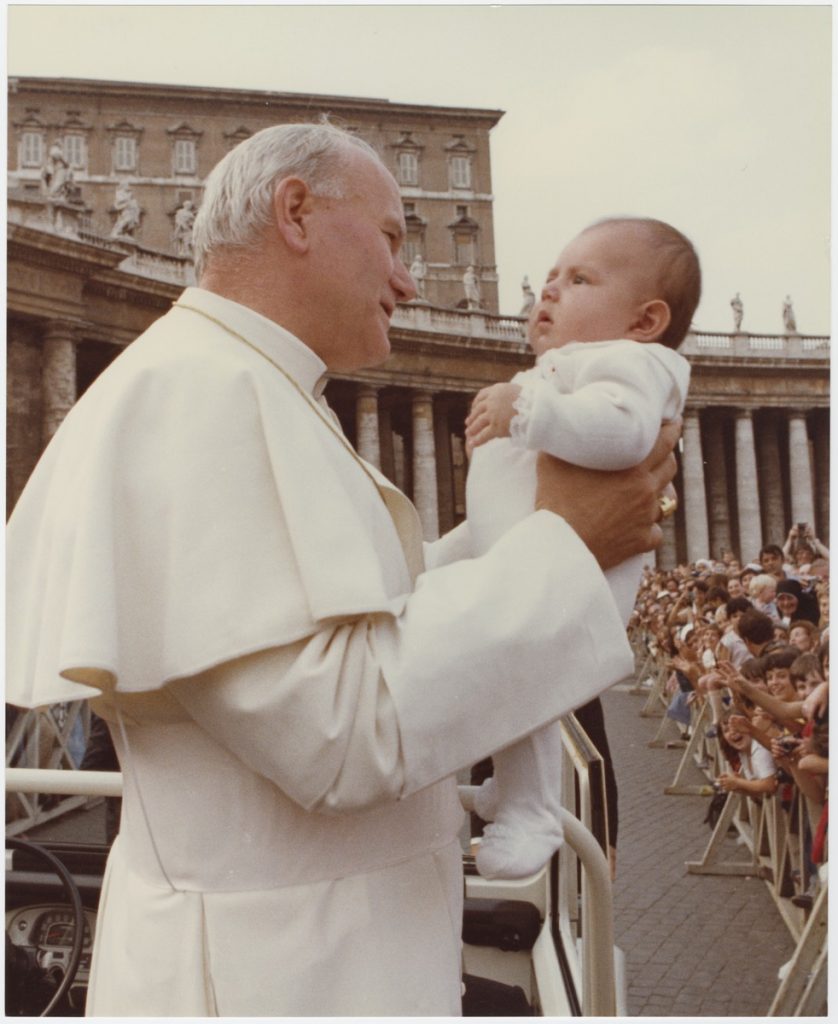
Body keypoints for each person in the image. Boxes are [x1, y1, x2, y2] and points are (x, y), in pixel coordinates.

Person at [5, 123, 679, 1016]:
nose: (408, 278)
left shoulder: (250, 387)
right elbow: (336, 733)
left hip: (313, 957)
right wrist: (567, 548)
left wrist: (502, 543)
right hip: (275, 981)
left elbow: (354, 614)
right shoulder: (202, 395)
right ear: (296, 213)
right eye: (395, 238)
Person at [463, 215, 697, 879]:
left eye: (580, 278)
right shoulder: (568, 370)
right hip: (521, 547)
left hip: (565, 563)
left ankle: (532, 807)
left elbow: (619, 433)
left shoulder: (627, 364)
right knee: (508, 670)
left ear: (646, 320)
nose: (551, 290)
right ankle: (513, 792)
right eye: (550, 278)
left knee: (524, 676)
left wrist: (523, 413)